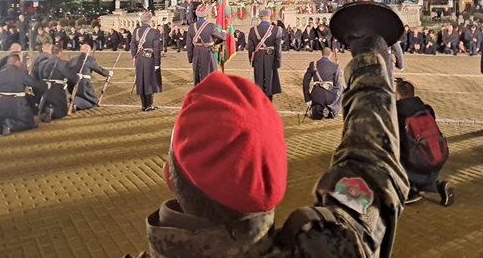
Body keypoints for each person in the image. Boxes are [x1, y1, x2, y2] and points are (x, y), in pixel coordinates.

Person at [130, 33, 408, 257]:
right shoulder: (332, 247)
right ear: (275, 180)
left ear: (168, 174)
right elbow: (371, 176)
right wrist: (371, 68)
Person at [395, 78, 454, 206]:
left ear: (398, 95)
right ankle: (438, 186)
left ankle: (410, 190)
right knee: (416, 158)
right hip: (436, 156)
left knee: (393, 155)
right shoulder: (427, 109)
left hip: (416, 161)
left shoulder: (398, 113)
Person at [0, 53, 37, 135]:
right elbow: (33, 83)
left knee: (0, 118)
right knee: (29, 123)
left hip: (2, 104)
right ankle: (9, 124)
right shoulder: (20, 72)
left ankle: (1, 125)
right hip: (18, 104)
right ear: (17, 62)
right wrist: (45, 85)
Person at [247, 8, 282, 100]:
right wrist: (278, 62)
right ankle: (269, 101)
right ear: (268, 16)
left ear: (260, 17)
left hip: (258, 57)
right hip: (271, 57)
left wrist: (252, 60)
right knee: (270, 80)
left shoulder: (252, 30)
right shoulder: (276, 29)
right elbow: (278, 48)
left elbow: (250, 48)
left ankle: (259, 100)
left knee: (258, 80)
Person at [187, 4, 227, 85]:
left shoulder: (191, 27)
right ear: (206, 14)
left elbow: (189, 45)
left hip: (196, 53)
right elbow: (222, 38)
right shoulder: (211, 26)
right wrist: (223, 32)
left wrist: (191, 58)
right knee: (210, 74)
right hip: (208, 52)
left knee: (198, 75)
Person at [36, 45, 78, 122]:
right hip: (56, 90)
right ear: (59, 53)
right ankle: (53, 111)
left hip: (43, 90)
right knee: (62, 112)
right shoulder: (62, 63)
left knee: (44, 105)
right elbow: (72, 77)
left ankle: (46, 110)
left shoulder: (42, 63)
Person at [131, 12, 163, 112]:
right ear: (150, 20)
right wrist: (157, 63)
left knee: (140, 80)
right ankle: (149, 105)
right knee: (149, 81)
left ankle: (143, 105)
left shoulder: (136, 31)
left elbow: (132, 46)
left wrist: (134, 57)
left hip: (139, 58)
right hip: (149, 58)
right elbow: (157, 49)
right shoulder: (154, 32)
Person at [67, 44, 112, 111]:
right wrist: (108, 73)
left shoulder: (72, 59)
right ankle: (76, 105)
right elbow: (99, 70)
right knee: (93, 102)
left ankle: (75, 102)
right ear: (88, 51)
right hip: (83, 84)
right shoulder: (89, 59)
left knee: (77, 94)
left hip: (71, 84)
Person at [302, 47, 343, 119]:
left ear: (321, 54)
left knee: (316, 111)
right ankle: (332, 109)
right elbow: (336, 84)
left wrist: (307, 98)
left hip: (316, 96)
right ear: (330, 54)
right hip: (330, 97)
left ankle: (317, 110)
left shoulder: (313, 64)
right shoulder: (335, 66)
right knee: (341, 87)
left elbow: (305, 82)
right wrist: (338, 71)